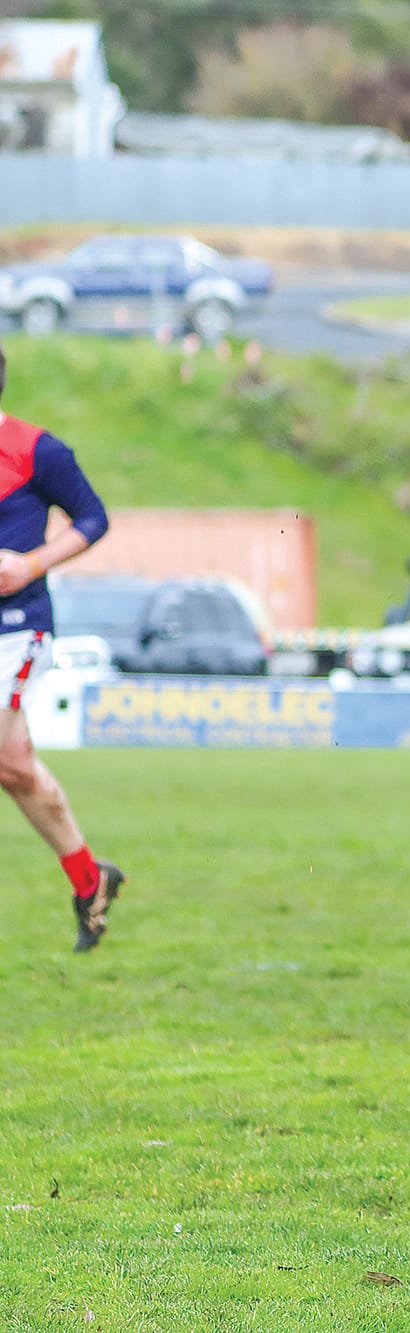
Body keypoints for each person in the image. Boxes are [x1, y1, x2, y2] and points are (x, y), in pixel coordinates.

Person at [0, 338, 126, 951]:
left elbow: (93, 518)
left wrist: (30, 564)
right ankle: (90, 878)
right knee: (16, 769)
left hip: (17, 627)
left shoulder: (36, 450)